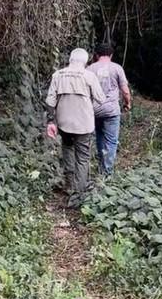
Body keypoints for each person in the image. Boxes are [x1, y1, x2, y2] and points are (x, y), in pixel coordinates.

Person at [45, 48, 106, 207]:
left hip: (64, 122)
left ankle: (69, 184)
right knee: (83, 156)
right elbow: (101, 99)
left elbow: (50, 101)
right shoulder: (89, 76)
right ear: (85, 62)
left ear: (70, 59)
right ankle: (79, 193)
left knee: (67, 149)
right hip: (84, 124)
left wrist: (51, 121)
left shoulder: (58, 75)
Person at [87, 43, 131, 175]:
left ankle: (101, 167)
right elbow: (125, 90)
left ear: (96, 55)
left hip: (94, 109)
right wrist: (128, 103)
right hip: (111, 110)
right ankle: (107, 172)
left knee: (100, 137)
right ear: (111, 55)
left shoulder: (89, 69)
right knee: (111, 141)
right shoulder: (117, 68)